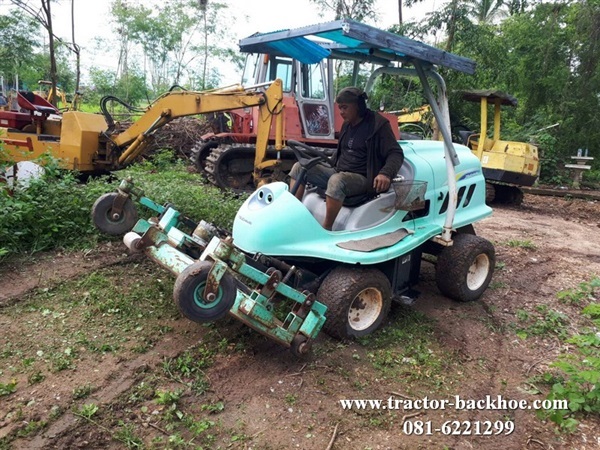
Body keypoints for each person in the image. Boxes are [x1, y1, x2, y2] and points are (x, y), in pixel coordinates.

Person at [289, 86, 404, 230]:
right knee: (299, 167)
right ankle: (292, 219)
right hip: (339, 171)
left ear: (359, 107)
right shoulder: (347, 125)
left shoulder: (378, 125)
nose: (341, 112)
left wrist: (385, 173)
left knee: (337, 181)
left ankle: (326, 230)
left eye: (345, 108)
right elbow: (342, 151)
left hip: (363, 178)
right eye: (340, 108)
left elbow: (396, 153)